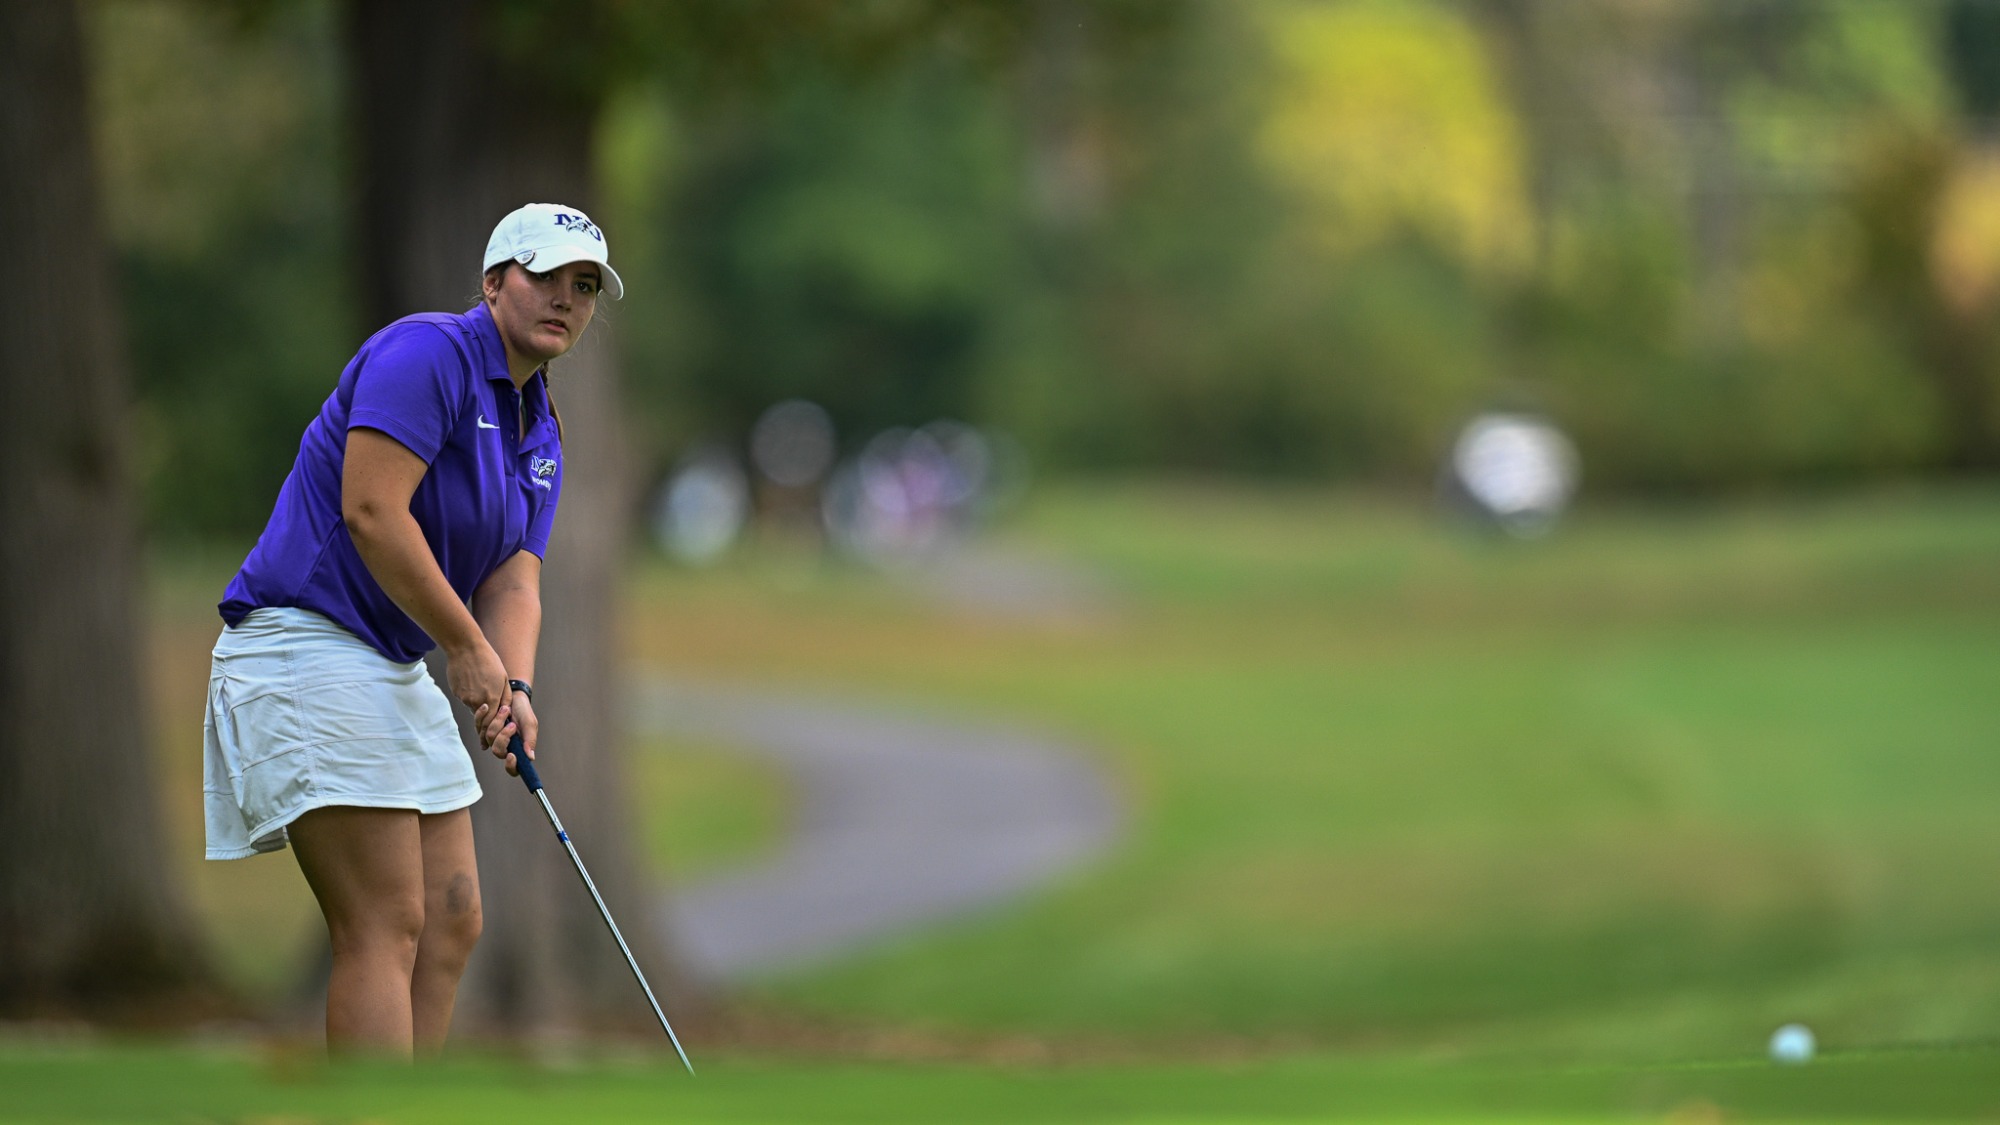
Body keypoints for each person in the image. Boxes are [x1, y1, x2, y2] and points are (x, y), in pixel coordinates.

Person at [202, 203, 623, 1058]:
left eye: (583, 287)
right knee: (387, 921)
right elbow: (371, 510)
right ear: (494, 281)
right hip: (302, 641)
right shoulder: (427, 353)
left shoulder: (539, 425)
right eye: (544, 277)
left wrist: (516, 681)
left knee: (452, 916)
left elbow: (514, 574)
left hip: (384, 663)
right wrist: (468, 650)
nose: (565, 300)